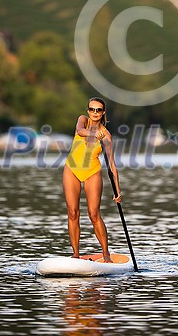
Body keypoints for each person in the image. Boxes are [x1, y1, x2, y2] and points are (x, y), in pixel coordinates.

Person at [63, 96, 121, 263]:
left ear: (103, 113)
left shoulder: (107, 136)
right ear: (88, 110)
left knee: (94, 214)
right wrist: (94, 133)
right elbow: (80, 131)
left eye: (98, 110)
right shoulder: (83, 121)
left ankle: (106, 255)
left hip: (92, 171)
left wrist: (117, 189)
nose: (94, 113)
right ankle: (75, 254)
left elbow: (111, 164)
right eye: (92, 109)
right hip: (72, 169)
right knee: (73, 213)